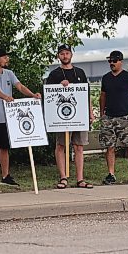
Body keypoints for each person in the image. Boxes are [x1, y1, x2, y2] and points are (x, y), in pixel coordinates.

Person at [0, 48, 42, 188]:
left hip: (7, 117)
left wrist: (32, 95)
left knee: (5, 147)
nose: (7, 59)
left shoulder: (9, 73)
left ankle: (5, 176)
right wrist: (5, 97)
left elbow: (19, 86)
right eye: (4, 57)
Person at [46, 44, 95, 189]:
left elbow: (86, 93)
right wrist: (59, 86)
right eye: (62, 54)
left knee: (79, 146)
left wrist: (90, 112)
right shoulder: (54, 75)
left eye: (67, 53)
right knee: (61, 145)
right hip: (62, 117)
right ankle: (63, 177)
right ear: (58, 56)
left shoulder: (80, 72)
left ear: (71, 55)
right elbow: (49, 96)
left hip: (79, 116)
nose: (65, 56)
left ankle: (80, 179)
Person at [99, 50, 128, 185]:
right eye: (110, 61)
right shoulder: (106, 78)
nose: (112, 63)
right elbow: (103, 97)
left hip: (124, 117)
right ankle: (111, 174)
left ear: (120, 61)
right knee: (110, 147)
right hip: (109, 117)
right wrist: (102, 114)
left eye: (114, 61)